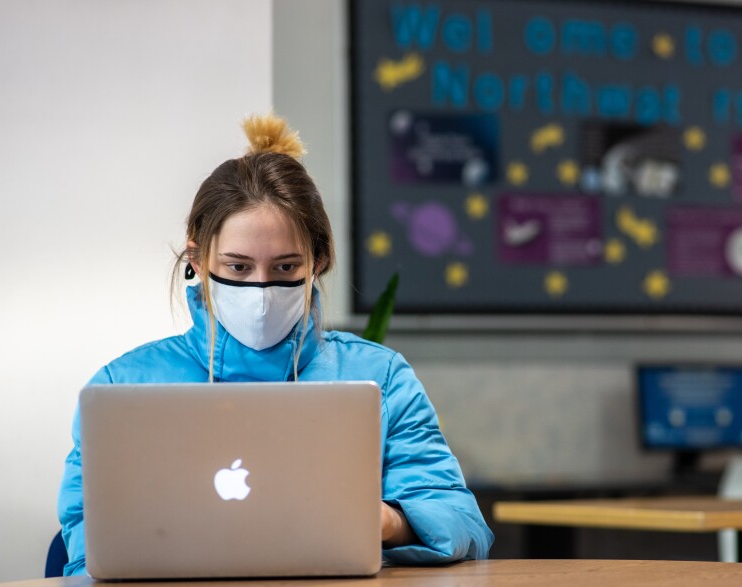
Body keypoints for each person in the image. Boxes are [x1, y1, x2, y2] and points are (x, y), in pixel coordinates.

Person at [56, 112, 494, 576]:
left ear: (318, 259)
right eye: (238, 267)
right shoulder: (121, 387)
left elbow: (462, 522)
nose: (261, 291)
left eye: (285, 267)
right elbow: (90, 546)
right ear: (198, 260)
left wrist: (386, 521)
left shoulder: (380, 377)